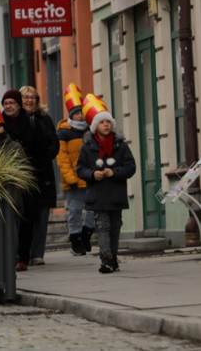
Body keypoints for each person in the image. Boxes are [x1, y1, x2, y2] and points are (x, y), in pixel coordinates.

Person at [75, 99, 135, 274]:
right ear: (95, 126)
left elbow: (131, 167)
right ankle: (106, 259)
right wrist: (92, 174)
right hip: (98, 194)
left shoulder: (121, 146)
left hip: (116, 194)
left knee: (115, 226)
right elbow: (81, 169)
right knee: (103, 226)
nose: (106, 125)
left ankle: (113, 257)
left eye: (108, 122)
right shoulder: (87, 147)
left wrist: (115, 172)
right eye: (102, 122)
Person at [0, 89, 54, 272]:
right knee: (9, 218)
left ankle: (23, 257)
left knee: (27, 220)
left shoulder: (32, 123)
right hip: (6, 179)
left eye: (12, 103)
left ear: (18, 105)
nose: (8, 106)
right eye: (6, 103)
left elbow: (43, 150)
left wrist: (34, 171)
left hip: (28, 180)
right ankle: (12, 256)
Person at [18, 86, 58, 266]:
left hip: (44, 174)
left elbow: (54, 144)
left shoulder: (45, 119)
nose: (29, 100)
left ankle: (37, 253)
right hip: (23, 174)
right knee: (25, 215)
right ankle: (23, 254)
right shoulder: (17, 120)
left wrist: (44, 157)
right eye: (26, 97)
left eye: (32, 97)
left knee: (42, 215)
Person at [57, 83, 95, 256]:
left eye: (82, 113)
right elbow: (62, 158)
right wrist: (69, 177)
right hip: (73, 179)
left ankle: (86, 234)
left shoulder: (90, 131)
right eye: (77, 113)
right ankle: (75, 239)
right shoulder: (64, 133)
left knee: (92, 209)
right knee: (74, 210)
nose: (80, 116)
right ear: (71, 115)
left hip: (90, 177)